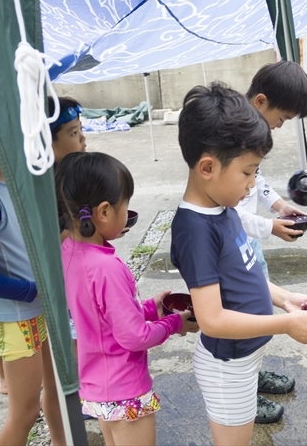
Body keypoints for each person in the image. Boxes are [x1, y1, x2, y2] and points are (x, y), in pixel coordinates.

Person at [171, 82, 307, 446]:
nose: (252, 185)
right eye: (247, 172)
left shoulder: (224, 207)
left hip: (244, 361)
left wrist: (283, 299)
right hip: (226, 368)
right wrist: (286, 324)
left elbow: (243, 274)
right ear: (207, 167)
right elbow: (213, 319)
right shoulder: (195, 231)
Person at [56, 151, 199, 446]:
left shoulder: (69, 251)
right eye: (126, 205)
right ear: (105, 211)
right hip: (125, 390)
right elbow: (134, 337)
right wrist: (174, 322)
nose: (127, 212)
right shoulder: (106, 267)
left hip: (98, 386)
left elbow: (103, 318)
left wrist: (150, 308)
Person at [0, 95, 66, 444]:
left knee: (58, 393)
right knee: (24, 414)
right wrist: (36, 289)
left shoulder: (12, 178)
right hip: (16, 317)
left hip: (41, 307)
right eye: (6, 131)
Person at [239, 60, 307, 423]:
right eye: (282, 118)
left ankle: (252, 373)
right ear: (261, 102)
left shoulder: (250, 134)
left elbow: (259, 180)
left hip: (248, 243)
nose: (281, 126)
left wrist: (280, 206)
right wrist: (271, 227)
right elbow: (226, 214)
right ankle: (242, 392)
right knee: (242, 319)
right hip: (231, 244)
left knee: (258, 309)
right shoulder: (230, 139)